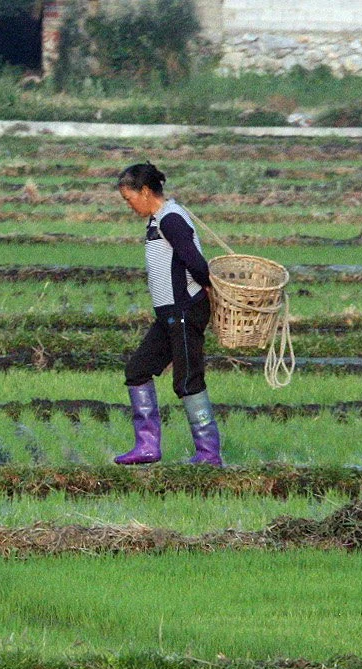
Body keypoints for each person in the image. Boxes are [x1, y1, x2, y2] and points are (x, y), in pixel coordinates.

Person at [112, 162, 222, 466]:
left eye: (130, 198)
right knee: (137, 370)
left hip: (185, 310)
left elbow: (197, 263)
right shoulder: (157, 219)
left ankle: (209, 455)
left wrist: (207, 289)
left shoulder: (171, 219)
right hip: (169, 315)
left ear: (146, 191)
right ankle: (147, 446)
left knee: (187, 380)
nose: (130, 205)